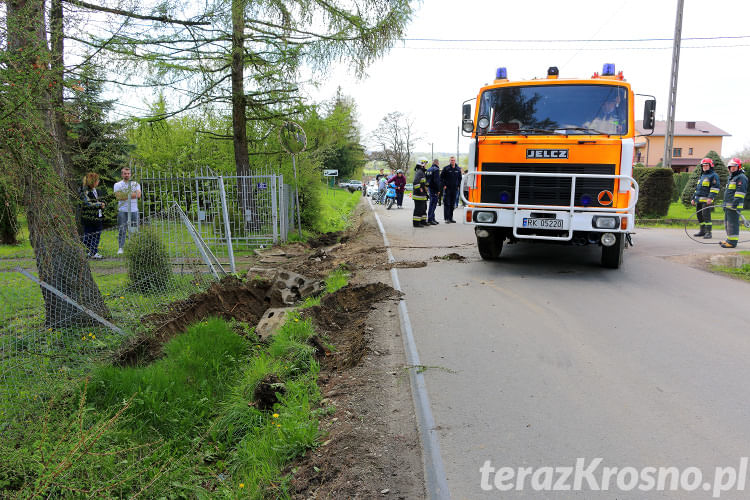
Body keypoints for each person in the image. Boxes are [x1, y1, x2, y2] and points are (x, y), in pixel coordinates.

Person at [720, 158, 747, 248]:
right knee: (728, 223)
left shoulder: (741, 178)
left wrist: (734, 204)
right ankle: (729, 239)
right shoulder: (732, 177)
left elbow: (740, 193)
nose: (732, 169)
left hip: (734, 206)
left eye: (734, 167)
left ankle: (732, 243)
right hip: (728, 205)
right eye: (731, 167)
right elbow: (729, 193)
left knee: (732, 224)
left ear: (738, 167)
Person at [114, 167, 141, 254]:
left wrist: (125, 194)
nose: (127, 175)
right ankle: (121, 248)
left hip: (134, 210)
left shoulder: (135, 184)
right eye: (125, 173)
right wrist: (132, 194)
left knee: (134, 229)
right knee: (122, 229)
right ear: (122, 174)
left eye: (128, 173)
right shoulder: (117, 185)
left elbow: (138, 195)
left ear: (130, 174)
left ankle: (134, 247)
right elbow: (118, 197)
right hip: (123, 210)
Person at [691, 158, 720, 239]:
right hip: (698, 200)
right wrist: (693, 198)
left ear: (711, 166)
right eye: (703, 165)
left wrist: (710, 198)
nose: (705, 167)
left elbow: (715, 188)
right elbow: (698, 189)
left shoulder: (714, 176)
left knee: (706, 216)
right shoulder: (702, 175)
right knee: (699, 215)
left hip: (707, 200)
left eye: (707, 165)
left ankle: (708, 232)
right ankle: (702, 231)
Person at [79, 172, 106, 259]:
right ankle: (87, 252)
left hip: (98, 216)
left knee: (97, 235)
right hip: (88, 217)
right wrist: (99, 204)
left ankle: (93, 252)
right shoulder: (84, 191)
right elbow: (88, 204)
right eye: (97, 180)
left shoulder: (98, 190)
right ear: (92, 181)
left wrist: (104, 203)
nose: (98, 182)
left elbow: (103, 201)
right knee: (88, 235)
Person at [440, 156, 462, 223]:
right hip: (447, 188)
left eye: (453, 160)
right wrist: (444, 185)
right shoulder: (446, 168)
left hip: (454, 189)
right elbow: (441, 178)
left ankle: (451, 218)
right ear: (449, 161)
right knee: (447, 204)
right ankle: (446, 218)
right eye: (451, 160)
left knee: (452, 204)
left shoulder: (458, 169)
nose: (452, 161)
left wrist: (458, 186)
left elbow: (460, 179)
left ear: (455, 161)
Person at [412, 158, 429, 227]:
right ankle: (416, 223)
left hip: (422, 195)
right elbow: (415, 182)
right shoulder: (419, 172)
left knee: (423, 208)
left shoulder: (422, 172)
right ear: (422, 164)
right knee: (418, 209)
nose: (426, 165)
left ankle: (423, 221)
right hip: (418, 195)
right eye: (425, 164)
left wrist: (426, 189)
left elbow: (423, 183)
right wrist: (420, 190)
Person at [426, 159, 441, 225]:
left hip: (430, 188)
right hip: (434, 189)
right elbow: (436, 181)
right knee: (433, 205)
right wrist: (438, 190)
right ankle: (430, 219)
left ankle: (432, 218)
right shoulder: (436, 170)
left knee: (431, 204)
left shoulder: (428, 169)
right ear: (437, 163)